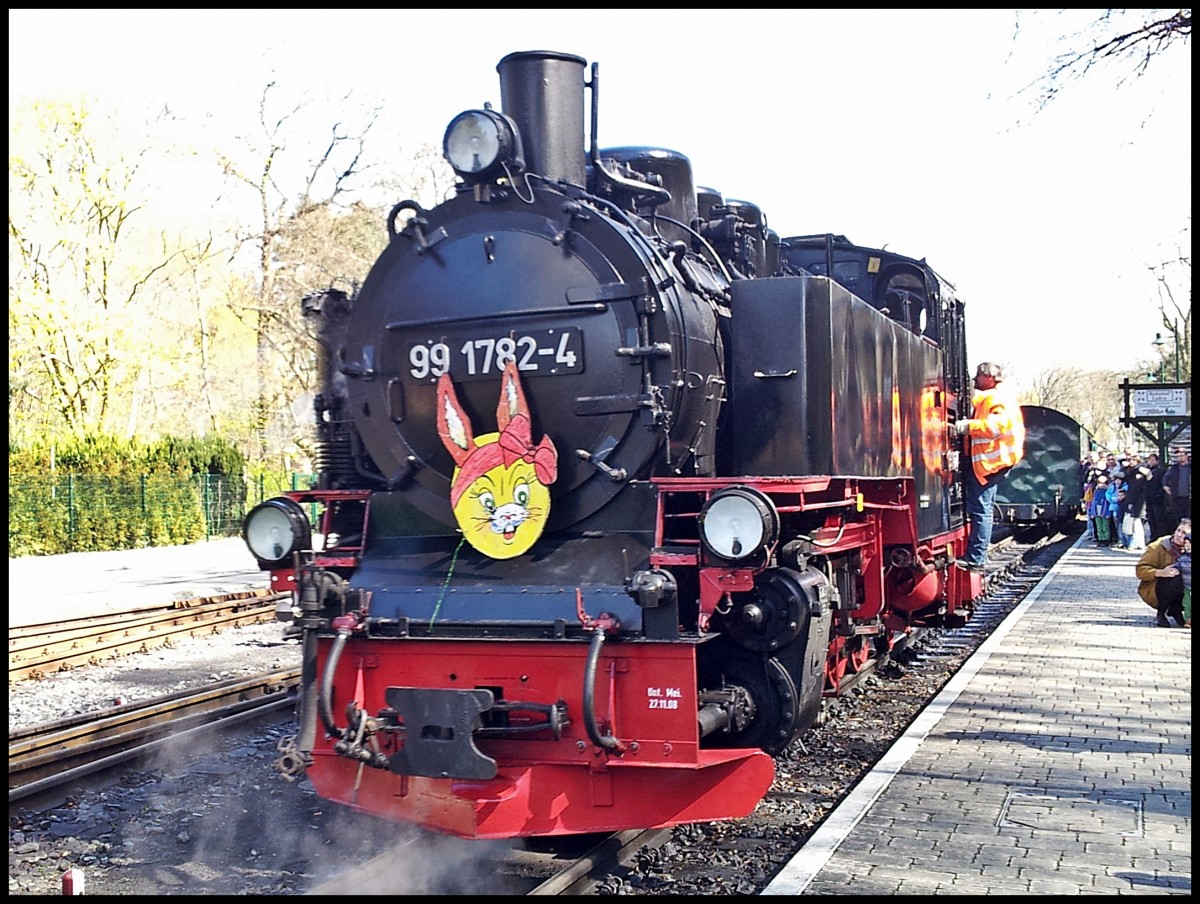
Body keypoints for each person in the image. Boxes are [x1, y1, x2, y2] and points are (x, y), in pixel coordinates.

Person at [954, 362, 1026, 572]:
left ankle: (976, 558)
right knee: (980, 509)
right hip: (989, 462)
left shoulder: (997, 398)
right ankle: (976, 555)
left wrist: (968, 426)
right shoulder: (994, 397)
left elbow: (997, 425)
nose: (975, 380)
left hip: (989, 463)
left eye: (978, 376)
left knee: (980, 510)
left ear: (990, 378)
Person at [1136, 518, 1190, 628]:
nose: (1179, 535)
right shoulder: (1159, 546)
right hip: (1158, 587)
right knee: (1174, 575)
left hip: (1187, 590)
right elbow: (1140, 569)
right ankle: (1161, 612)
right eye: (1178, 530)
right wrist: (1160, 572)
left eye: (1184, 533)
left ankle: (1177, 610)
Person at [1144, 452, 1170, 541]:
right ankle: (1153, 537)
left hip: (1158, 500)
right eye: (1149, 460)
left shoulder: (1161, 471)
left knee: (1159, 520)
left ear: (1157, 461)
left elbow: (1162, 484)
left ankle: (1161, 538)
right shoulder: (1146, 471)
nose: (1151, 462)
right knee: (1151, 520)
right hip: (1148, 499)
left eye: (1153, 460)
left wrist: (1159, 494)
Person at [1163, 447, 1191, 527]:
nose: (1180, 458)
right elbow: (1165, 477)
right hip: (1177, 498)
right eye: (1178, 456)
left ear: (1186, 456)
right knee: (1178, 520)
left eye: (1181, 455)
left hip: (1189, 498)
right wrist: (1165, 486)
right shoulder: (1174, 468)